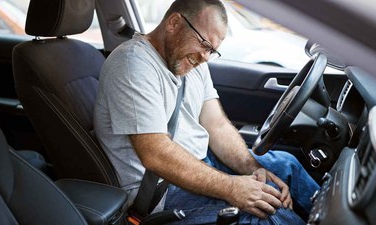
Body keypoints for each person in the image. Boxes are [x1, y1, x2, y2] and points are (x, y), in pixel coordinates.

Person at [94, 0, 319, 224]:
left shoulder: (192, 63)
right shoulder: (132, 64)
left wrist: (254, 169)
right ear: (174, 23)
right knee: (268, 213)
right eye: (204, 44)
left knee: (285, 167)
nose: (206, 57)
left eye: (212, 50)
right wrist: (232, 187)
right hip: (161, 191)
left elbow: (217, 126)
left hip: (203, 161)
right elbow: (156, 154)